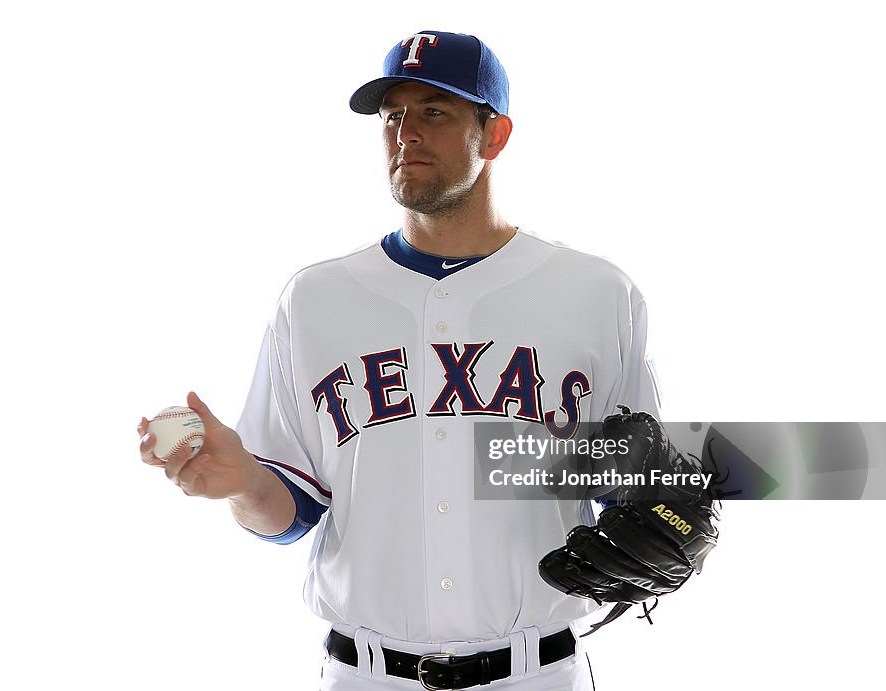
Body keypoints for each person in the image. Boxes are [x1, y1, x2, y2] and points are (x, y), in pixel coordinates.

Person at [139, 30, 661, 690]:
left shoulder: (594, 293)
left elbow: (645, 494)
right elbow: (291, 509)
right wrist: (241, 479)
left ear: (494, 135)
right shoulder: (315, 299)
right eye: (393, 116)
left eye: (434, 112)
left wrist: (670, 510)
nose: (405, 132)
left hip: (537, 671)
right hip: (364, 673)